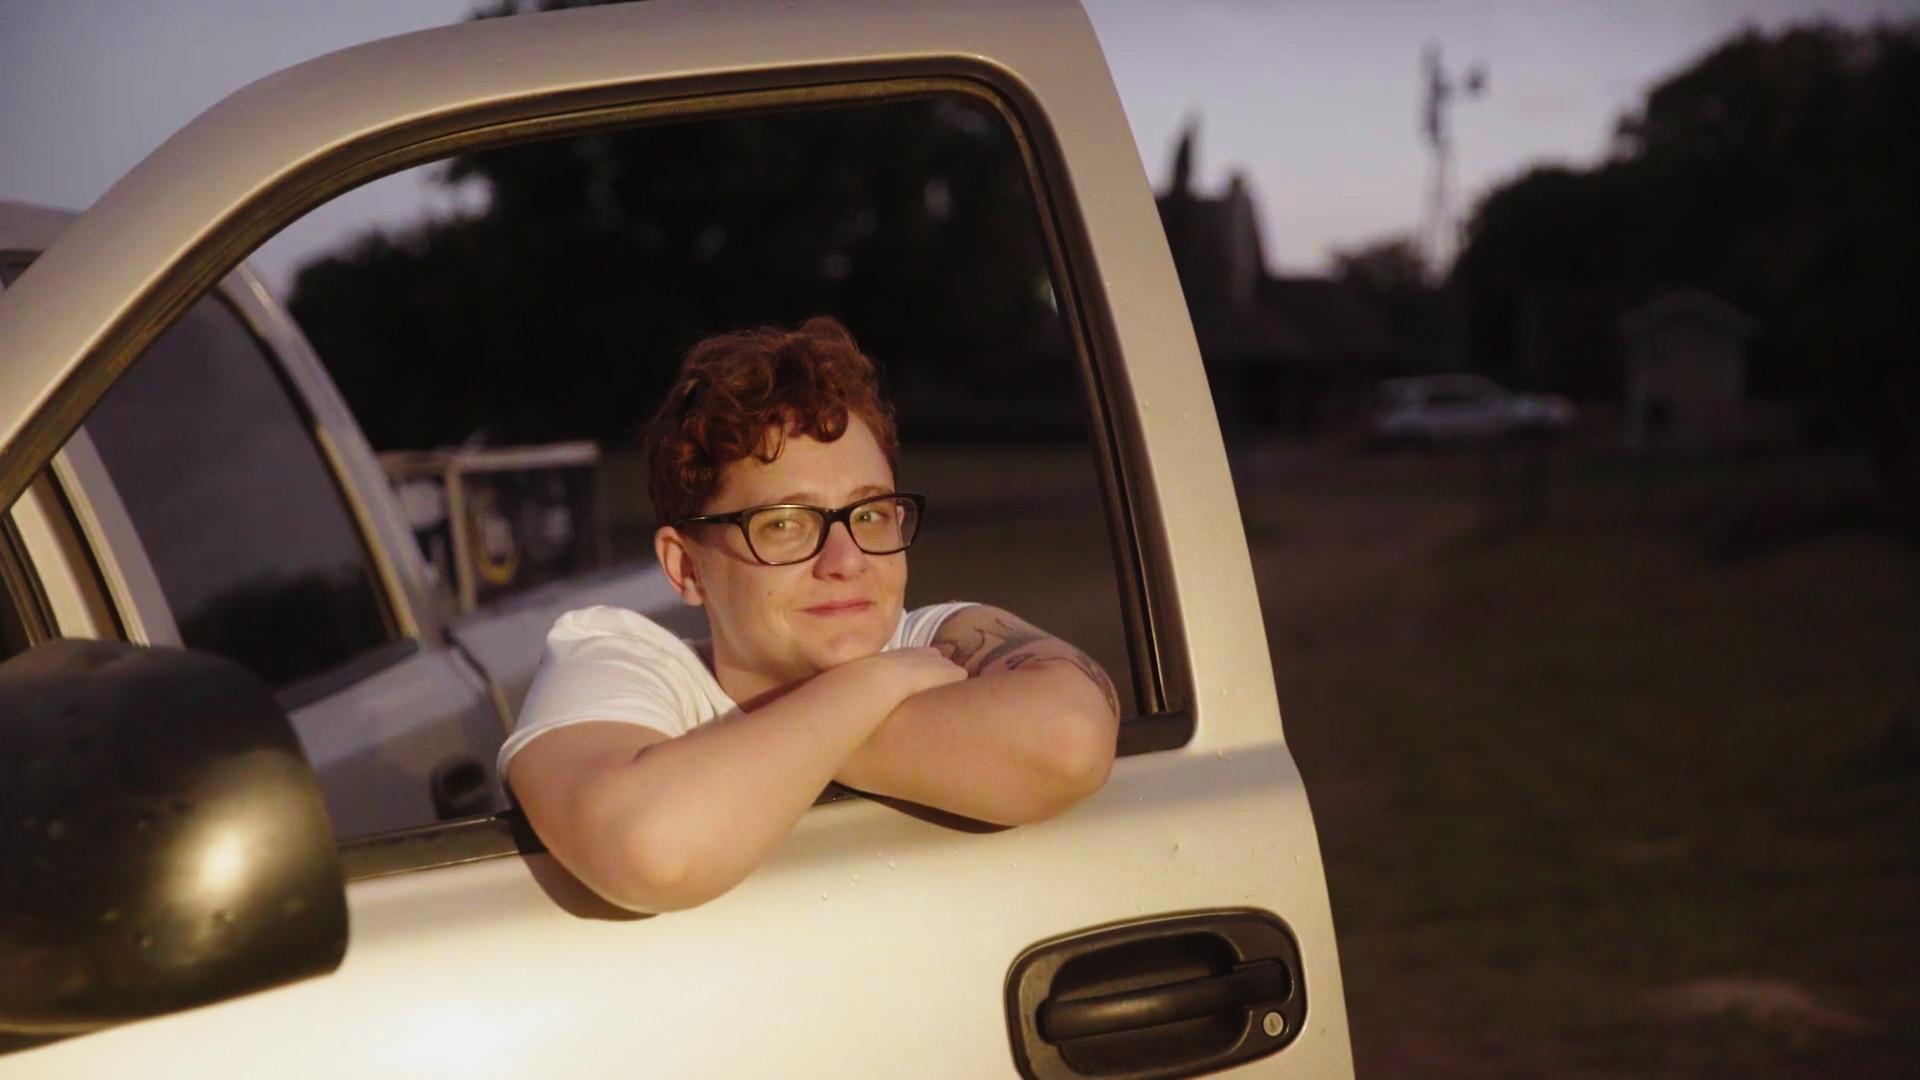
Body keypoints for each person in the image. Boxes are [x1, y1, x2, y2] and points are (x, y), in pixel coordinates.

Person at [501, 317, 1120, 913]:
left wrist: (787, 733)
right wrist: (880, 683)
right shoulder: (617, 659)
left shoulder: (933, 634)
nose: (846, 560)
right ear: (685, 567)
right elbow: (653, 849)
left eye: (871, 513)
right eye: (786, 525)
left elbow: (1069, 740)